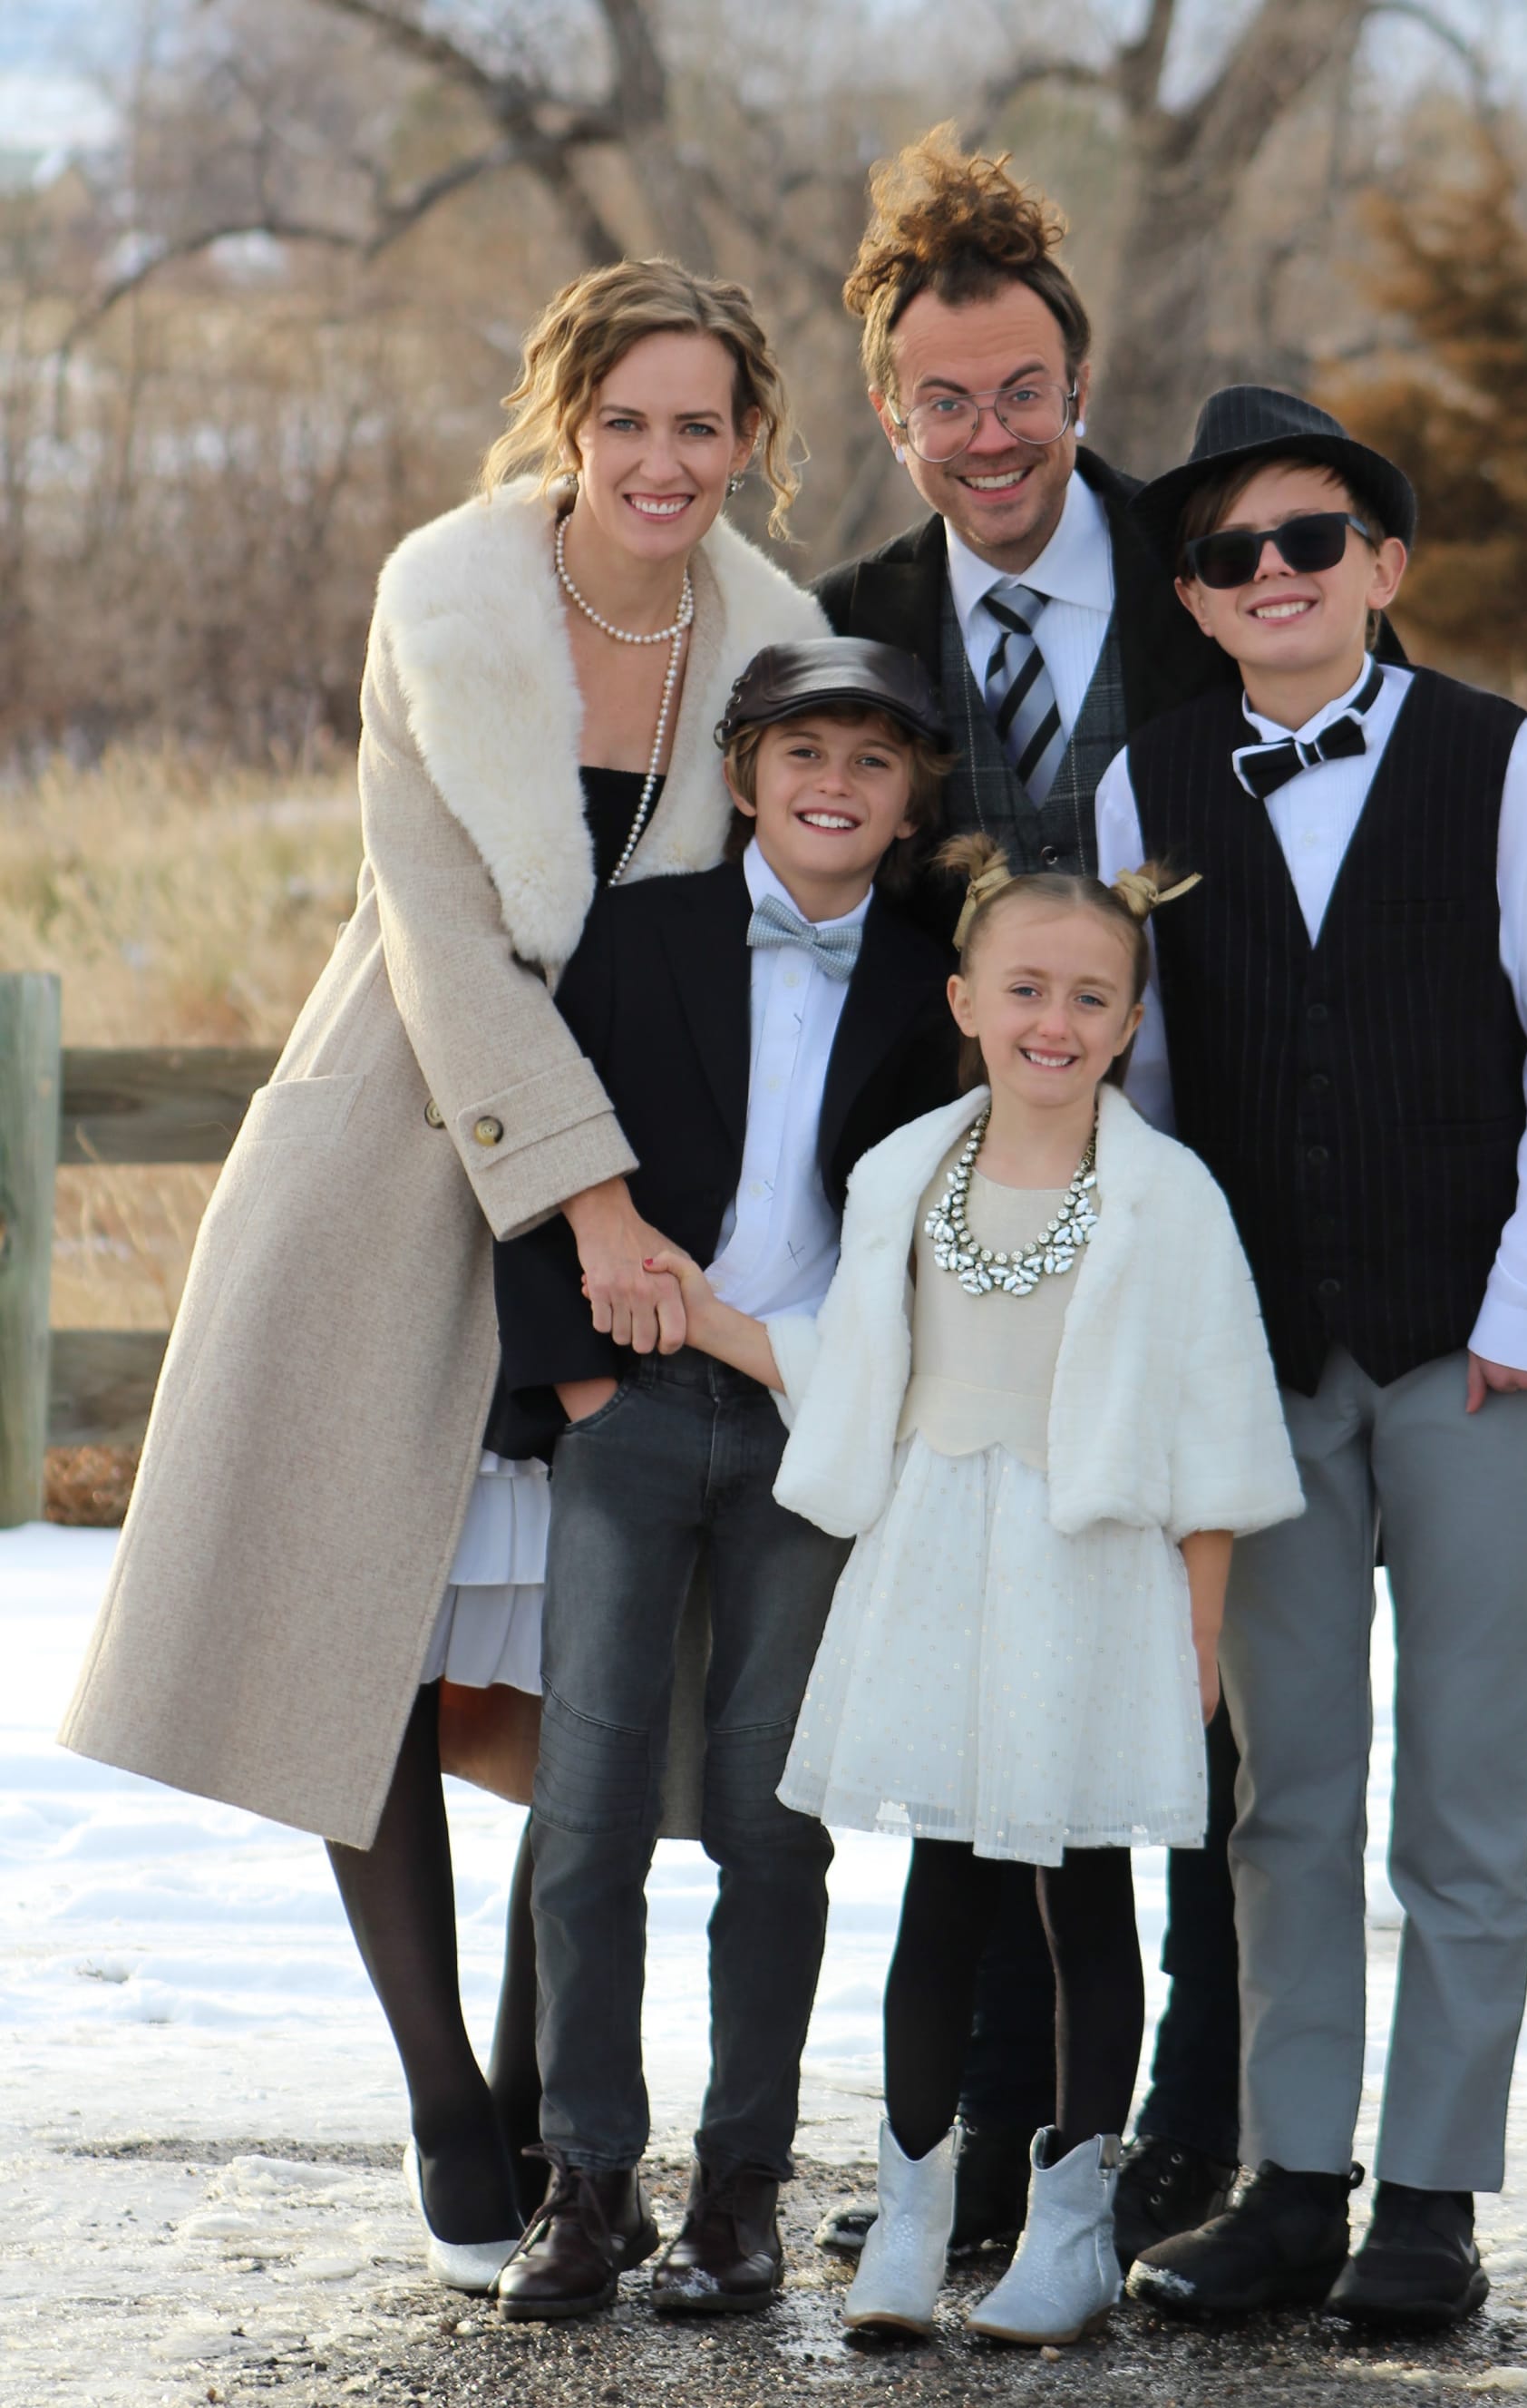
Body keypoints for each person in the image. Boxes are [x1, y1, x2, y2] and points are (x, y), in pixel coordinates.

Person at [57, 260, 828, 2289]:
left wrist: (670, 1205)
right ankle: (437, 2092)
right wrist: (582, 1203)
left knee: (602, 1638)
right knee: (358, 1628)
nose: (664, 462)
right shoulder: (443, 606)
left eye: (703, 424)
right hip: (401, 1141)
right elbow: (445, 934)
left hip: (657, 1172)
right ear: (566, 419)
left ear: (750, 441)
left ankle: (542, 2072)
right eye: (628, 419)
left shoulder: (775, 644)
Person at [1090, 387, 1527, 2325]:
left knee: (1461, 1797)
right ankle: (1290, 2175)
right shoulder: (1144, 783)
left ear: (1381, 567)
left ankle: (1431, 2194)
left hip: (1467, 1357)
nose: (1273, 575)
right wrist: (1174, 1347)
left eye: (1309, 540)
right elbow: (1140, 1094)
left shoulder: (1498, 759)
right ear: (1192, 592)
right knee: (1289, 1791)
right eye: (1230, 554)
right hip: (1263, 1373)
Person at [651, 840, 1304, 2345]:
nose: (1054, 1022)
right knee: (941, 1891)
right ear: (964, 998)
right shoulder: (904, 1175)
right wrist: (713, 1319)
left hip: (1096, 1575)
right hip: (939, 1558)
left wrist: (1198, 1629)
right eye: (1024, 989)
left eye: (1090, 996)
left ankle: (1069, 2228)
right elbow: (857, 1372)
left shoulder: (1168, 1200)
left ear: (1131, 1022)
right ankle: (918, 2212)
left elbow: (1216, 1421)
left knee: (1086, 1892)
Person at [812, 122, 1256, 2267]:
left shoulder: (1205, 568)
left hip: (1208, 1216)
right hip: (985, 1246)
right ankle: (981, 2149)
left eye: (1023, 393)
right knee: (1003, 1717)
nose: (989, 437)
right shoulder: (853, 630)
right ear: (893, 418)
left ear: (1079, 388)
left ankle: (1189, 2130)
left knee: (1199, 1701)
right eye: (943, 403)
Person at [486, 638, 961, 2324]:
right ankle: (585, 2183)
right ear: (746, 772)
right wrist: (582, 1380)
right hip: (631, 1415)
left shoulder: (936, 988)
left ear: (910, 804)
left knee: (772, 1818)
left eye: (875, 760)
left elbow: (934, 1241)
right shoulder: (639, 935)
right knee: (590, 1799)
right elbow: (534, 1144)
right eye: (802, 751)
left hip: (809, 1428)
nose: (834, 782)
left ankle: (740, 2188)